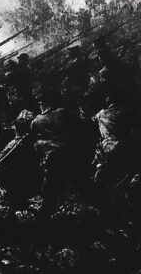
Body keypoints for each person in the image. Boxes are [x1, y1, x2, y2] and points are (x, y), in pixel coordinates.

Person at [30, 89, 96, 218]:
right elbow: (84, 129)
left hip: (51, 161)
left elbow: (35, 143)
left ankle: (43, 219)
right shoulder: (63, 114)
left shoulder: (36, 121)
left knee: (51, 192)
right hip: (71, 157)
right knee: (83, 187)